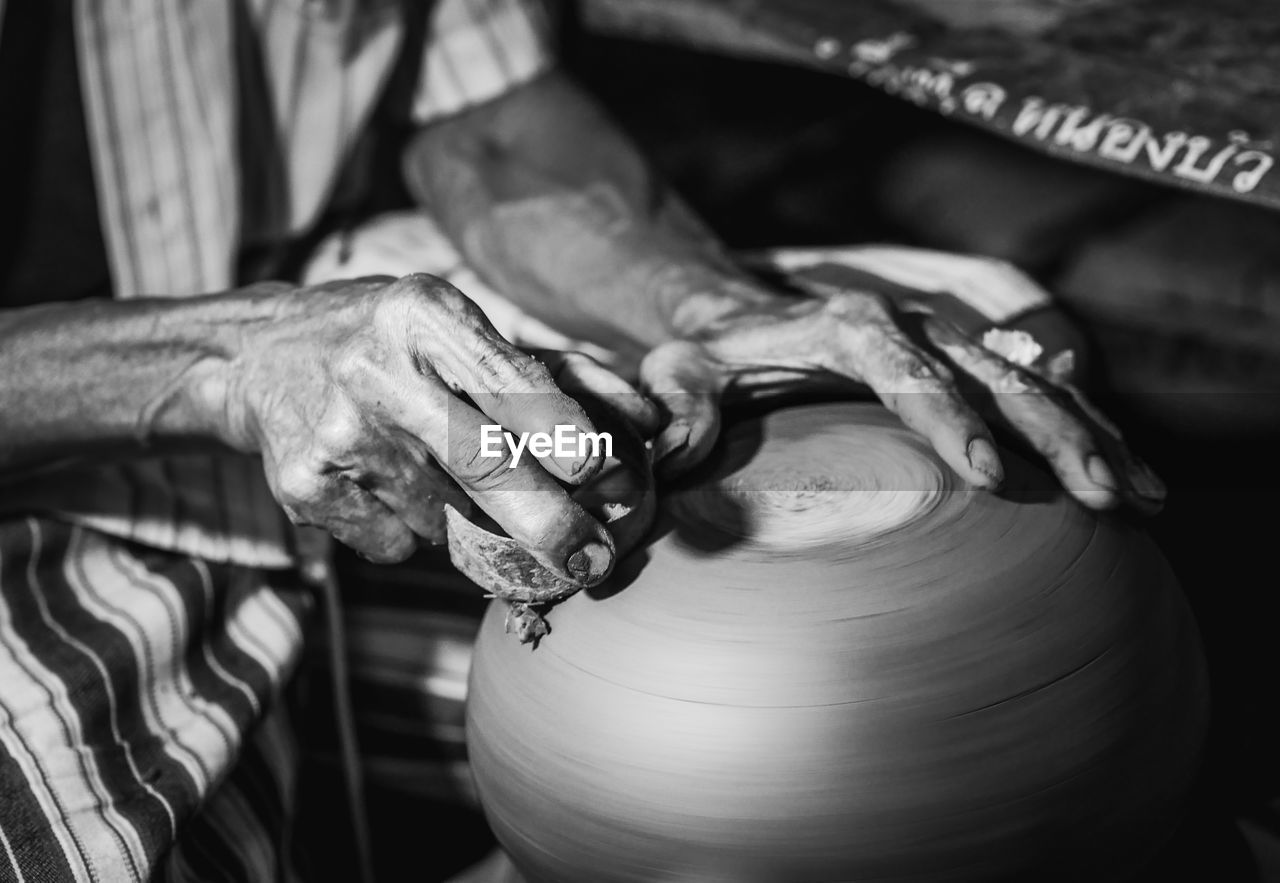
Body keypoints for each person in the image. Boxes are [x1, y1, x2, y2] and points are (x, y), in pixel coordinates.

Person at [0, 0, 1164, 880]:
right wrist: (226, 361)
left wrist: (712, 312)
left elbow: (489, 125)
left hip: (322, 288)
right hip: (44, 460)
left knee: (991, 355)